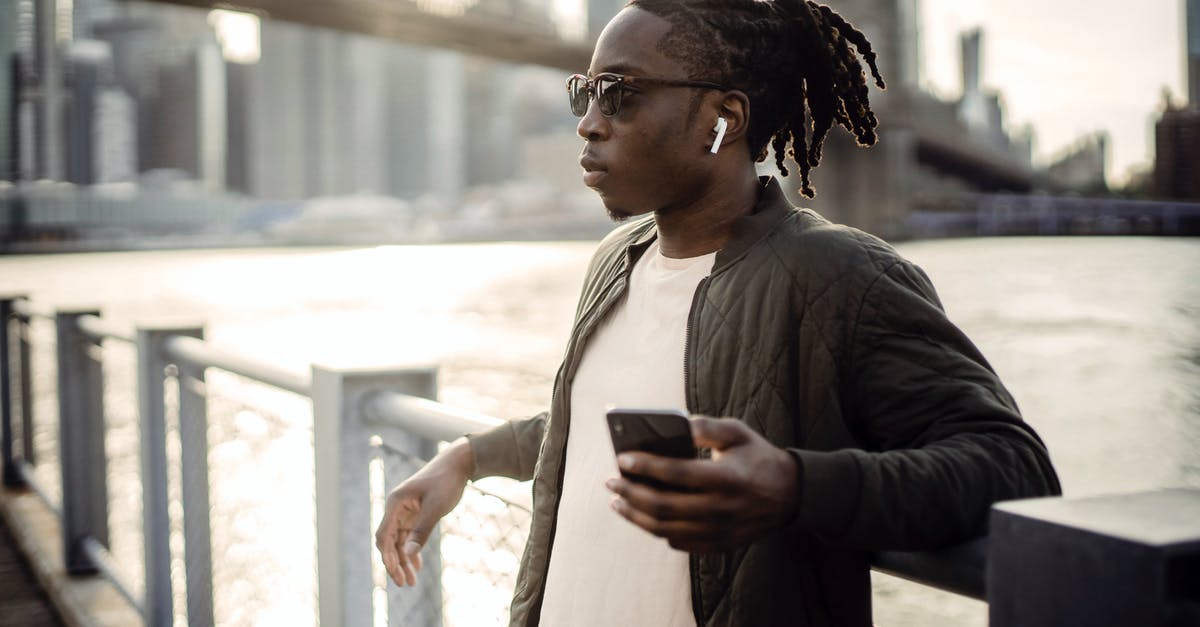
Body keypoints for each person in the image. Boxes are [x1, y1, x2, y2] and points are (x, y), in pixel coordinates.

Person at [376, 1, 1061, 625]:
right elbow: (590, 416)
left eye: (619, 93)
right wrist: (466, 457)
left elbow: (1014, 465)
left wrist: (794, 485)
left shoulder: (843, 277)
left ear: (723, 119)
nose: (588, 121)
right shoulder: (617, 260)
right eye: (585, 92)